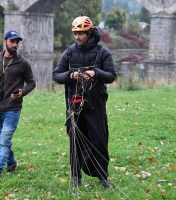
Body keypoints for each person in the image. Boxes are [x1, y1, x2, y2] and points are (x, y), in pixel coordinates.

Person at [53, 14, 116, 189]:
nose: (77, 37)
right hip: (75, 106)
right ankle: (76, 177)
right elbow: (56, 75)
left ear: (89, 33)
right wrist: (70, 75)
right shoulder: (70, 52)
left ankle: (103, 178)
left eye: (81, 33)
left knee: (99, 141)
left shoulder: (103, 52)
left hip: (96, 106)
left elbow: (111, 76)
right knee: (75, 142)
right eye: (75, 34)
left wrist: (96, 72)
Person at [0, 30, 36, 181]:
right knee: (2, 140)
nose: (15, 44)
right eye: (12, 41)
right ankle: (11, 162)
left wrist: (22, 92)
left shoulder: (23, 63)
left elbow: (31, 83)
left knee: (4, 140)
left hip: (13, 108)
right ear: (5, 41)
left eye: (17, 42)